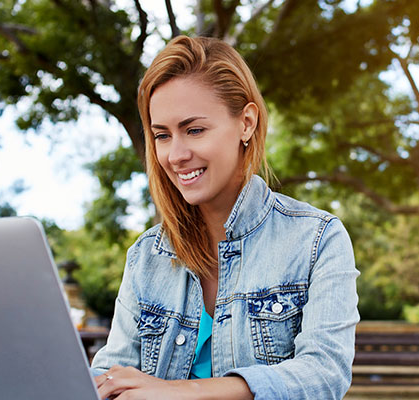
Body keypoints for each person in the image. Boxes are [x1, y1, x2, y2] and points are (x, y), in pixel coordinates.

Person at [90, 35, 360, 400]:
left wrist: (178, 392)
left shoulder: (317, 239)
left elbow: (323, 375)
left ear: (246, 123)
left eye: (195, 130)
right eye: (162, 135)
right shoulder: (145, 256)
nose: (175, 155)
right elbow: (112, 373)